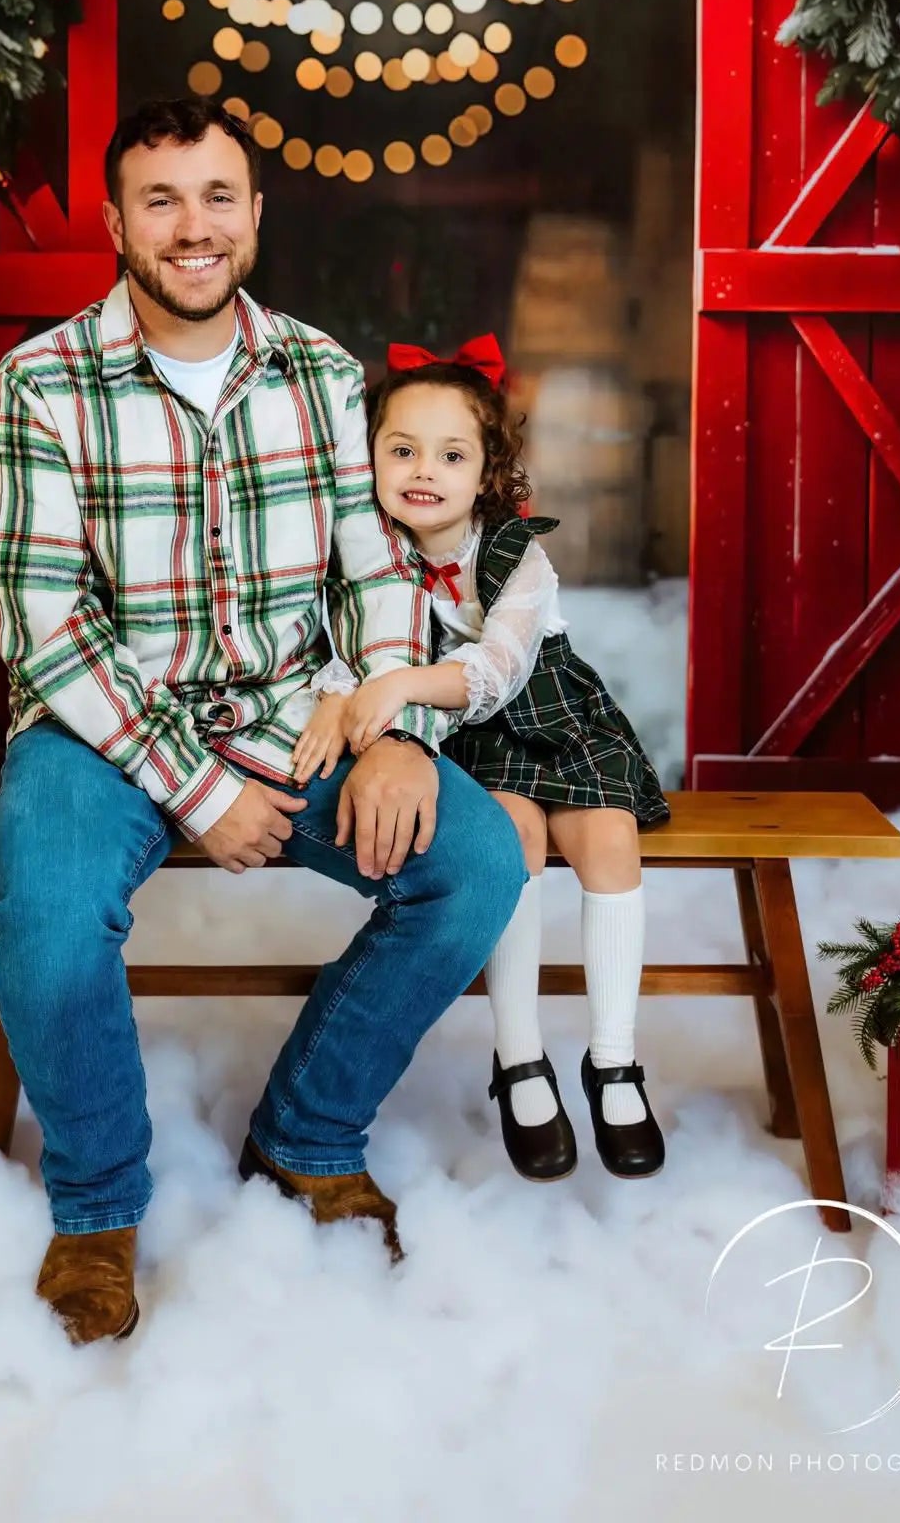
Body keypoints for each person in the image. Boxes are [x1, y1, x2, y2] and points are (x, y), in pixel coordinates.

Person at [0, 100, 526, 1346]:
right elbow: (49, 630)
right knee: (48, 915)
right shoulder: (41, 385)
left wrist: (392, 725)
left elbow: (377, 576)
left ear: (257, 215)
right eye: (161, 199)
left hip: (297, 710)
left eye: (219, 196)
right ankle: (100, 1207)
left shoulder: (323, 375)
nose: (193, 227)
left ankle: (307, 1135)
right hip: (102, 721)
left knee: (479, 862)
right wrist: (201, 793)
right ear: (114, 220)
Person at [292, 335, 671, 1187]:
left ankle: (614, 1060)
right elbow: (338, 642)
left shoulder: (514, 555)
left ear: (487, 472)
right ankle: (520, 1058)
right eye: (402, 449)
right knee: (509, 845)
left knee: (609, 837)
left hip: (547, 716)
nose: (425, 469)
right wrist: (337, 689)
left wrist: (398, 683)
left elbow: (498, 668)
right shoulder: (362, 553)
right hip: (459, 745)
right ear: (370, 458)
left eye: (451, 454)